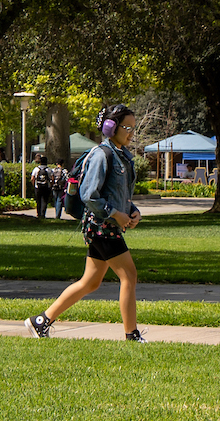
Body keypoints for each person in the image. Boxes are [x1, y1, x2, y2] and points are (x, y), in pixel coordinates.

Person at [27, 103, 145, 343]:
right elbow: (89, 195)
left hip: (107, 224)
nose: (131, 133)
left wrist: (133, 212)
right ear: (110, 127)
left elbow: (119, 194)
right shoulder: (102, 155)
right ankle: (131, 335)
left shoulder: (122, 156)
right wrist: (115, 214)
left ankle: (41, 321)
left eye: (133, 128)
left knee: (90, 282)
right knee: (129, 275)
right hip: (101, 226)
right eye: (127, 127)